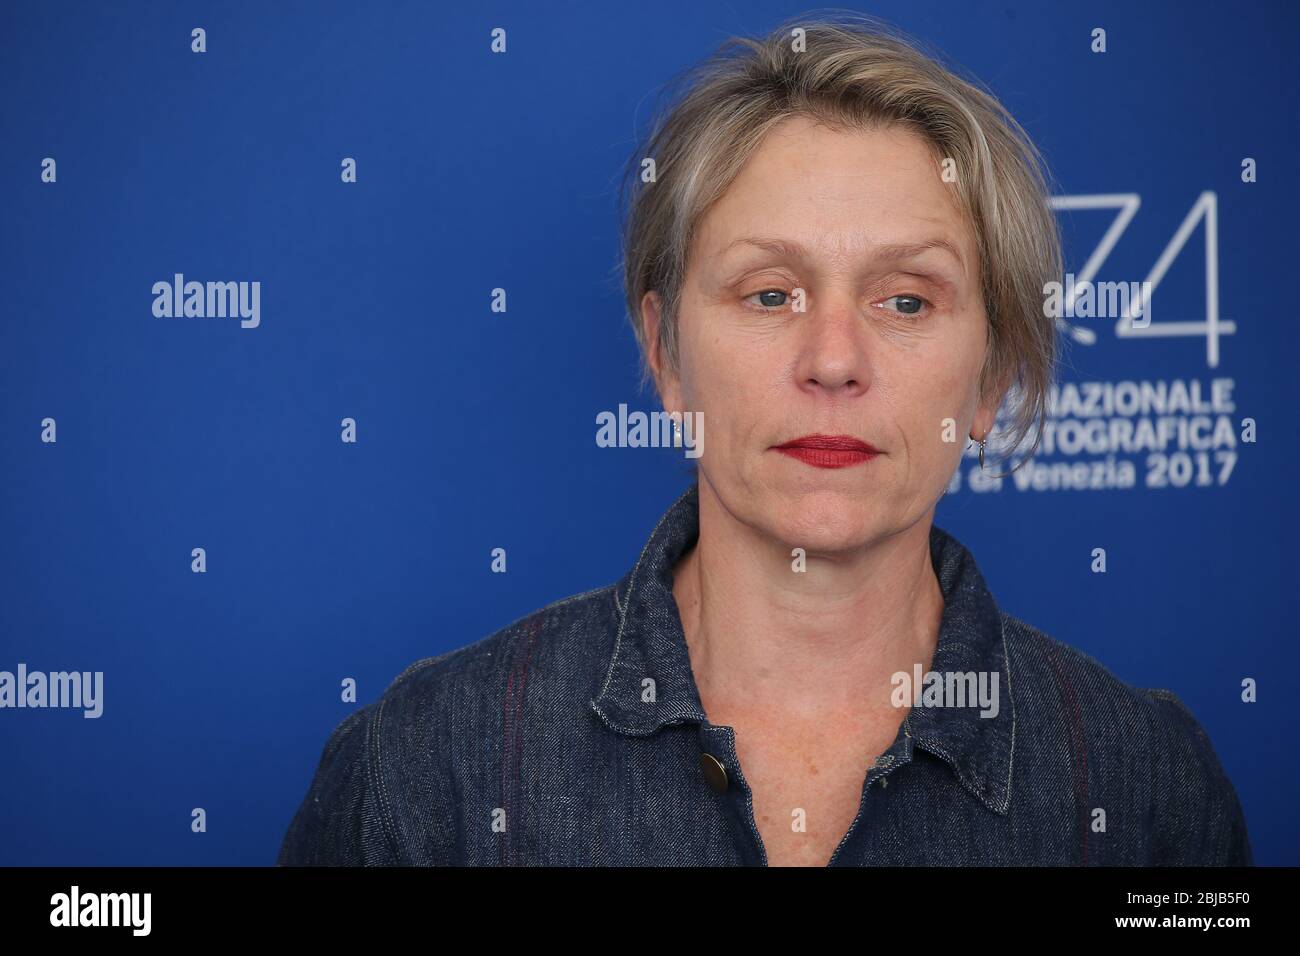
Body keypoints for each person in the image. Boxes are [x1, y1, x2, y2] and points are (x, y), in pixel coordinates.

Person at [278, 13, 1250, 866]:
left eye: (905, 298)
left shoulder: (1147, 785)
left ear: (991, 376)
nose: (833, 359)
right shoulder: (424, 770)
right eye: (770, 292)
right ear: (664, 351)